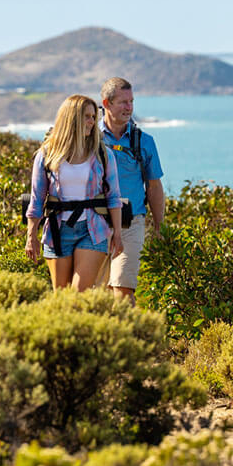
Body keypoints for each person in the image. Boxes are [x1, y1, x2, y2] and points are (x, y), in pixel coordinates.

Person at [25, 94, 123, 291]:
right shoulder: (47, 153)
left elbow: (113, 197)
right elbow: (37, 199)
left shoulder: (103, 154)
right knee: (61, 295)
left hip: (93, 230)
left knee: (79, 293)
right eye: (87, 116)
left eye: (94, 117)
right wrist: (31, 235)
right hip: (57, 231)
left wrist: (118, 234)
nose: (92, 122)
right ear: (72, 118)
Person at [99, 76, 165, 301]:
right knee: (98, 294)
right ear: (106, 104)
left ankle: (131, 333)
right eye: (123, 102)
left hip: (131, 222)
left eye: (131, 102)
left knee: (122, 289)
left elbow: (154, 186)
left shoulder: (144, 141)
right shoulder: (89, 138)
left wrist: (159, 226)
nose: (129, 108)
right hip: (95, 222)